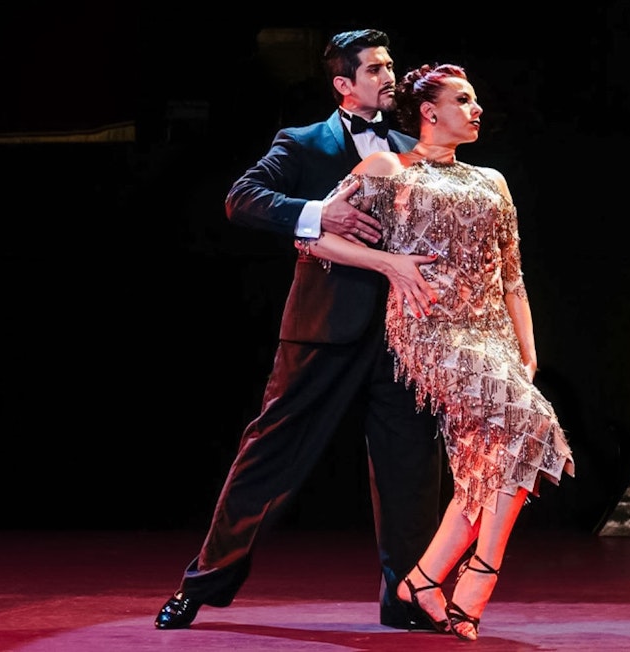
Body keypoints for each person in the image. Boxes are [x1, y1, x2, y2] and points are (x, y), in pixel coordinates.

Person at [153, 29, 445, 632]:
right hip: (323, 330)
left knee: (411, 468)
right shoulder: (303, 142)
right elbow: (243, 198)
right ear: (344, 84)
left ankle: (406, 598)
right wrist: (318, 212)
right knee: (270, 457)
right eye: (375, 69)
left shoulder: (416, 147)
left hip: (402, 333)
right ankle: (202, 585)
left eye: (391, 67)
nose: (389, 77)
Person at [302, 62, 575, 641]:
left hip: (494, 335)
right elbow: (312, 236)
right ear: (430, 112)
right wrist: (388, 262)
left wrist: (528, 354)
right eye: (465, 100)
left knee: (503, 453)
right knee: (531, 429)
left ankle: (425, 579)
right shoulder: (388, 169)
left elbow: (513, 277)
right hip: (431, 330)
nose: (477, 110)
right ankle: (476, 575)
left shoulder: (492, 180)